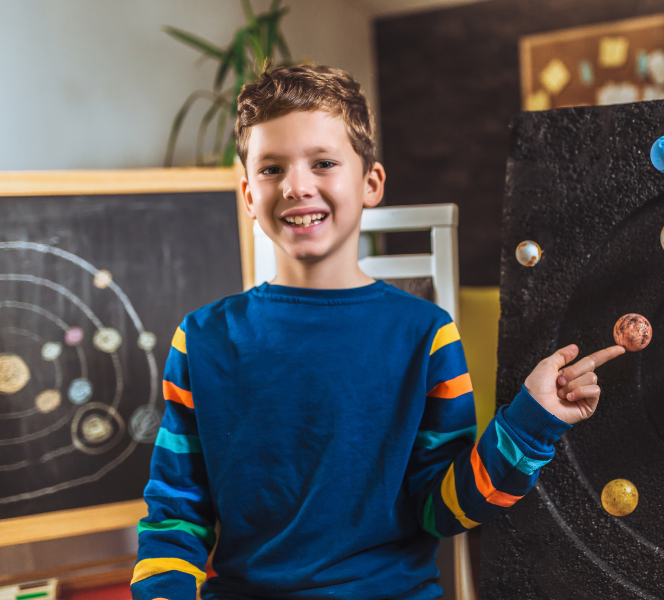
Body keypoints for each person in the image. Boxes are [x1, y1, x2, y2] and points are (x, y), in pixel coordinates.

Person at [131, 63, 624, 600]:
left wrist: (530, 423)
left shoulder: (426, 335)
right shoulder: (202, 338)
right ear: (249, 195)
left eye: (322, 163)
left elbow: (443, 509)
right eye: (272, 169)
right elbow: (175, 512)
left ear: (370, 183)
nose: (297, 186)